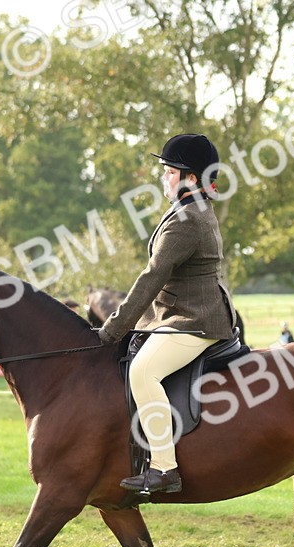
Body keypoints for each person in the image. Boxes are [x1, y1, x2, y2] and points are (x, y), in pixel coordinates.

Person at [94, 133, 237, 495]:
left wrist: (112, 328)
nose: (163, 177)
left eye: (168, 171)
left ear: (190, 177)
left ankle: (164, 468)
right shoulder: (189, 209)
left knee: (143, 372)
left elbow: (151, 279)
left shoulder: (189, 219)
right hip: (183, 314)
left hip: (195, 320)